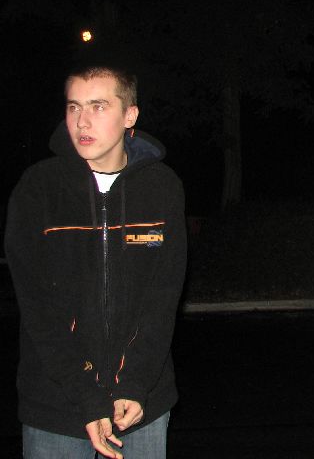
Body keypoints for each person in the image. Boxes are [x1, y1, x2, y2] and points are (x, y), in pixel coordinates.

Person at [5, 65, 187, 459]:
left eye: (98, 106)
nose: (82, 121)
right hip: (57, 404)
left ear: (129, 115)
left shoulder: (162, 187)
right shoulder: (39, 188)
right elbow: (38, 308)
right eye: (74, 107)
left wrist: (134, 384)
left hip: (140, 404)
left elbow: (162, 298)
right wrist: (85, 393)